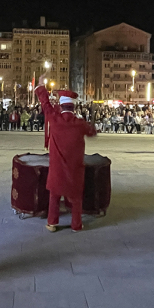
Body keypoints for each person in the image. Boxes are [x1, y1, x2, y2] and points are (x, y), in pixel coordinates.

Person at [35, 77, 97, 233]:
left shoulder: (54, 119)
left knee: (54, 196)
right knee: (76, 198)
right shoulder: (80, 124)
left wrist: (42, 86)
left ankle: (52, 223)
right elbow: (92, 132)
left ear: (61, 106)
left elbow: (45, 104)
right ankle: (76, 225)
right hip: (75, 168)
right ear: (73, 107)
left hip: (57, 167)